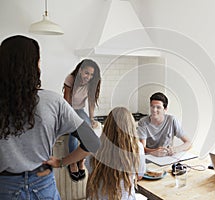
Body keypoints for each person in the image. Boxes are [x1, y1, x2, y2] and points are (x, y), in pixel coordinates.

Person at [0, 35, 99, 199]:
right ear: (34, 65)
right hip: (43, 185)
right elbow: (93, 142)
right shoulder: (53, 101)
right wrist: (62, 162)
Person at [86, 107, 145, 200]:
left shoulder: (95, 148)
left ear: (107, 126)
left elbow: (90, 179)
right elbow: (140, 175)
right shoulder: (137, 148)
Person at [63, 59, 101, 181]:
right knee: (74, 131)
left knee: (89, 131)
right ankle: (72, 162)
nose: (88, 77)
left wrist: (91, 118)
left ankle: (81, 160)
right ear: (80, 71)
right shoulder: (70, 79)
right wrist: (70, 119)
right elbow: (66, 101)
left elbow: (90, 103)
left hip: (80, 109)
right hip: (68, 109)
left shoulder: (92, 83)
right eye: (86, 73)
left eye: (91, 75)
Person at [137, 92, 191, 157]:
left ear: (165, 109)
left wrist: (176, 149)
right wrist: (154, 151)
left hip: (167, 157)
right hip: (150, 158)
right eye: (152, 106)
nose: (154, 110)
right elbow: (141, 149)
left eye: (158, 107)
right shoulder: (143, 122)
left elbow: (189, 143)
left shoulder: (172, 120)